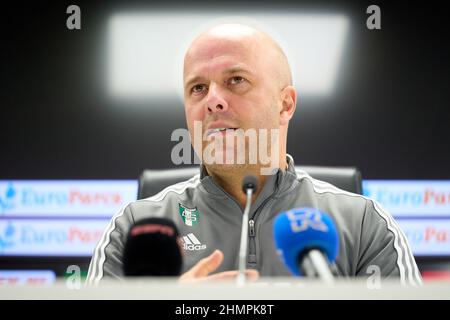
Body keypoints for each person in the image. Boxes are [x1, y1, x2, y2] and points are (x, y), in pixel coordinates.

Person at [86, 23, 421, 285]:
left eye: (236, 80)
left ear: (285, 104)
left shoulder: (364, 224)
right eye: (197, 88)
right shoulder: (135, 228)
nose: (212, 100)